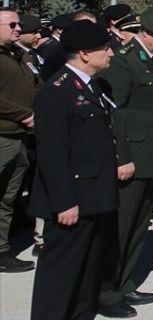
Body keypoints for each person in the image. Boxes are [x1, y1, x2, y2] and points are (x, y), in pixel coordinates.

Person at [27, 20, 119, 320]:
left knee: (86, 267)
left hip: (94, 194)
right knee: (60, 273)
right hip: (72, 199)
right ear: (84, 53)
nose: (111, 54)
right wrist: (64, 201)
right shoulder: (58, 90)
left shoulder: (90, 86)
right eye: (105, 49)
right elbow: (52, 154)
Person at [96, 8, 153, 317]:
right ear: (149, 34)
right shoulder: (122, 60)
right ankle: (106, 290)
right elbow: (115, 113)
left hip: (151, 156)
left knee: (139, 224)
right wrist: (122, 157)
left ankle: (124, 281)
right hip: (131, 159)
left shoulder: (149, 61)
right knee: (120, 226)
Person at [0, 7, 37, 273]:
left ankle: (2, 250)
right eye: (11, 24)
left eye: (18, 25)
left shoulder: (20, 55)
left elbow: (37, 85)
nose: (17, 28)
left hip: (20, 136)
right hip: (4, 134)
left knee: (8, 196)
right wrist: (24, 114)